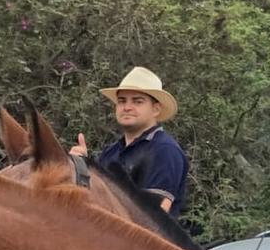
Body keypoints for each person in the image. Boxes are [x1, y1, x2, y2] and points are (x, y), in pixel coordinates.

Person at [69, 66, 189, 217]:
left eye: (137, 101)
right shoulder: (111, 152)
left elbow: (153, 218)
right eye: (122, 101)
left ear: (156, 109)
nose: (127, 107)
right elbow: (92, 203)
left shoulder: (164, 150)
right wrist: (80, 168)